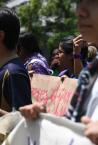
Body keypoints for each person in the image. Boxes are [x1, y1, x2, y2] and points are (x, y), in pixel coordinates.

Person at [20, 0, 98, 144]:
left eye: (92, 3)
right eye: (79, 4)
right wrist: (46, 116)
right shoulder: (91, 72)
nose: (80, 12)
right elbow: (73, 122)